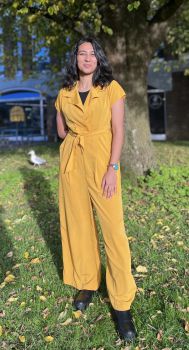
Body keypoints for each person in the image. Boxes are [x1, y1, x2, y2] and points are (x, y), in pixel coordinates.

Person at [55, 36, 137, 342]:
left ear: (98, 59)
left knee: (113, 230)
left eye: (92, 53)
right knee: (79, 226)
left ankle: (122, 303)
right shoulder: (64, 91)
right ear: (75, 59)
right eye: (81, 53)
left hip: (103, 161)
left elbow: (118, 131)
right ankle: (87, 282)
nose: (87, 58)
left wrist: (112, 167)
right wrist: (71, 131)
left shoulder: (111, 88)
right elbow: (61, 130)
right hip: (73, 163)